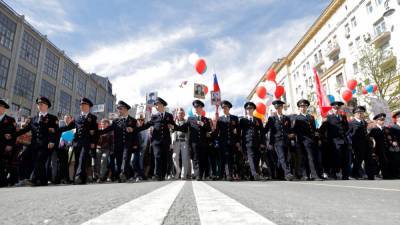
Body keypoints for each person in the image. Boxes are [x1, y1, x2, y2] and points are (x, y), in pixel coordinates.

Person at [17, 97, 59, 186]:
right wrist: (13, 133)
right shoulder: (33, 118)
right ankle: (42, 181)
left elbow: (55, 132)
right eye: (38, 104)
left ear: (47, 106)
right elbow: (24, 130)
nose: (40, 106)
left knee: (39, 160)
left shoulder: (52, 118)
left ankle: (32, 179)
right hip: (34, 145)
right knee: (22, 157)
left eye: (42, 104)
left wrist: (52, 141)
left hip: (46, 145)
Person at [60, 97, 98, 184]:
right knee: (77, 160)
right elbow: (70, 128)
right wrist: (60, 132)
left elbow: (95, 132)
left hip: (87, 141)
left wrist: (93, 142)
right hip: (76, 142)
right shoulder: (76, 117)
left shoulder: (93, 118)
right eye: (81, 105)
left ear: (89, 106)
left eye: (84, 104)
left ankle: (78, 176)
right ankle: (80, 178)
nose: (82, 106)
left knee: (82, 158)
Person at [137, 97, 175, 181]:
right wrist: (136, 129)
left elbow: (174, 126)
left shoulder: (169, 116)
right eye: (156, 105)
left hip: (166, 140)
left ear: (162, 105)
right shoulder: (154, 116)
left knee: (164, 157)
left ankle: (163, 174)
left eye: (157, 105)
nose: (156, 107)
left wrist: (172, 127)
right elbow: (147, 125)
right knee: (157, 156)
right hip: (156, 140)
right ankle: (157, 175)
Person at [99, 100, 137, 182]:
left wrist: (135, 143)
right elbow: (108, 129)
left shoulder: (133, 120)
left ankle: (123, 173)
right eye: (118, 108)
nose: (118, 110)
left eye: (120, 108)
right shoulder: (116, 121)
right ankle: (122, 176)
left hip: (128, 144)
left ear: (126, 109)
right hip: (118, 144)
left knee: (126, 158)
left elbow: (135, 133)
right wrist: (98, 132)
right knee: (119, 161)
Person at [174, 100, 211, 181]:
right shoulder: (190, 119)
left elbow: (209, 129)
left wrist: (203, 124)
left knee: (203, 158)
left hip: (203, 142)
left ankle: (202, 174)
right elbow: (183, 127)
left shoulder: (206, 119)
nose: (196, 109)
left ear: (201, 108)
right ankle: (198, 175)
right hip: (194, 142)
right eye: (195, 107)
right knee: (195, 158)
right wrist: (174, 127)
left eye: (198, 107)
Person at [265, 100, 295, 181]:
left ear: (282, 108)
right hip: (277, 141)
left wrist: (291, 134)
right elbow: (266, 129)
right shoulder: (272, 119)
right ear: (275, 108)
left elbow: (289, 129)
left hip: (286, 140)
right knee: (282, 157)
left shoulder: (286, 118)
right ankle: (288, 173)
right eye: (277, 108)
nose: (279, 109)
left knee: (282, 158)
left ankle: (279, 174)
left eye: (280, 107)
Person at [292, 99, 320, 180]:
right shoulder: (297, 118)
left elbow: (314, 129)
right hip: (303, 141)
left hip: (312, 140)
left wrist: (317, 135)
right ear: (299, 108)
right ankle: (311, 175)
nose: (303, 108)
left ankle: (308, 175)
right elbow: (294, 130)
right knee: (307, 157)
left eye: (304, 106)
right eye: (301, 106)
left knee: (311, 157)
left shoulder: (311, 117)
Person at [238, 102, 265, 181]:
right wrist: (239, 142)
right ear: (246, 110)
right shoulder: (243, 120)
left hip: (257, 142)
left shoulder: (258, 120)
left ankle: (252, 175)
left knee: (256, 158)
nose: (249, 110)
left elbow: (262, 132)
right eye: (247, 109)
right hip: (247, 142)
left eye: (250, 109)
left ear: (253, 109)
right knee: (251, 157)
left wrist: (262, 142)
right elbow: (239, 132)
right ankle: (254, 173)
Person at [325, 101, 351, 180]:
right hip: (334, 141)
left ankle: (345, 175)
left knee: (345, 158)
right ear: (332, 108)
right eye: (335, 108)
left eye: (338, 108)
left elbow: (347, 128)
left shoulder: (343, 117)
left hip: (344, 140)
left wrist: (346, 135)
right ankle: (334, 173)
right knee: (335, 158)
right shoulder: (329, 118)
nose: (336, 110)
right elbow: (326, 130)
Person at [215, 100, 240, 181]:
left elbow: (238, 131)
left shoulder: (235, 118)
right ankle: (228, 175)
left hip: (232, 142)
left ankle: (227, 174)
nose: (224, 109)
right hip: (223, 142)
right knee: (226, 158)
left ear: (229, 108)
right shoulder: (220, 119)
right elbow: (217, 131)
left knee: (231, 159)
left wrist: (237, 141)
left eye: (226, 108)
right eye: (223, 108)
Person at [348, 106, 375, 179]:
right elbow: (347, 133)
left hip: (366, 144)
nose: (360, 114)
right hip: (357, 145)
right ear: (354, 114)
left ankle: (370, 175)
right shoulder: (351, 123)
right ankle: (355, 174)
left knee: (369, 159)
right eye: (358, 113)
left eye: (361, 113)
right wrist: (350, 142)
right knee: (358, 160)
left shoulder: (364, 122)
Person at [0, 99, 17, 187]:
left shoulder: (10, 120)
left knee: (2, 165)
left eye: (1, 107)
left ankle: (2, 182)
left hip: (4, 146)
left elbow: (14, 134)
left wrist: (10, 144)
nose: (0, 108)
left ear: (4, 109)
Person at [171, 108, 191, 179]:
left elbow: (189, 132)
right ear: (177, 114)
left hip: (184, 141)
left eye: (182, 113)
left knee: (185, 158)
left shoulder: (187, 122)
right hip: (176, 141)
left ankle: (183, 175)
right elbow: (171, 132)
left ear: (184, 114)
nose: (181, 114)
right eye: (179, 113)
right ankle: (178, 170)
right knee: (174, 157)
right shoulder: (174, 122)